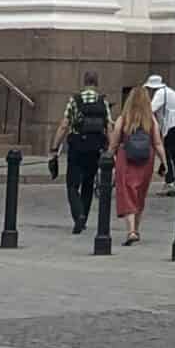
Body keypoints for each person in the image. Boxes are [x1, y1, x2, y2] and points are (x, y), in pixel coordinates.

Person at [54, 72, 113, 232]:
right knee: (88, 183)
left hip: (77, 146)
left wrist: (55, 147)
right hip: (95, 148)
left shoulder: (75, 100)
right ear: (96, 83)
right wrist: (111, 150)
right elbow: (109, 127)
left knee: (72, 185)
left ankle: (78, 214)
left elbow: (64, 125)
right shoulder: (103, 101)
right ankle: (84, 217)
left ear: (84, 82)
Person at [111, 83, 159, 243]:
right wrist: (166, 163)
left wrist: (108, 156)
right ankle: (136, 229)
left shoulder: (123, 118)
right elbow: (158, 142)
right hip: (146, 159)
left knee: (127, 192)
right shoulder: (151, 120)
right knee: (139, 194)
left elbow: (115, 140)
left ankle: (131, 230)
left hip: (126, 158)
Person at [145, 74, 175, 188]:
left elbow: (151, 109)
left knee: (167, 152)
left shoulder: (160, 93)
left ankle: (170, 179)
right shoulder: (168, 92)